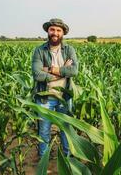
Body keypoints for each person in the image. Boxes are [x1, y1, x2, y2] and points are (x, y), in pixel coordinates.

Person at [31, 18, 79, 157]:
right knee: (44, 132)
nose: (55, 33)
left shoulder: (69, 50)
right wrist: (61, 72)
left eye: (59, 30)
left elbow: (74, 71)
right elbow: (37, 74)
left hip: (64, 97)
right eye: (52, 29)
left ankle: (68, 160)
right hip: (45, 98)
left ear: (63, 33)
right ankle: (43, 163)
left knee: (66, 131)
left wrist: (49, 69)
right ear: (48, 31)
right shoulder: (39, 51)